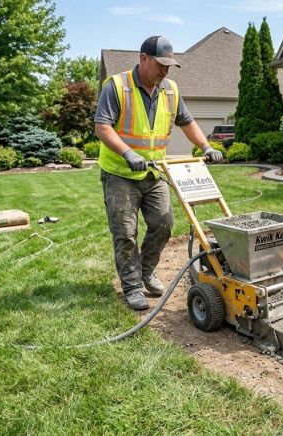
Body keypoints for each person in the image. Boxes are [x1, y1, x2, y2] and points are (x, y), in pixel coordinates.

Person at [94, 35, 223, 310]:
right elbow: (102, 126)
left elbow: (187, 122)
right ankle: (131, 287)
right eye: (160, 64)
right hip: (120, 173)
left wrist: (206, 146)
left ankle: (145, 272)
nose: (165, 71)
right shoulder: (117, 86)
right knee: (125, 233)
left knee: (164, 224)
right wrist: (128, 153)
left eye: (169, 66)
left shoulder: (170, 90)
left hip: (154, 174)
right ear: (143, 58)